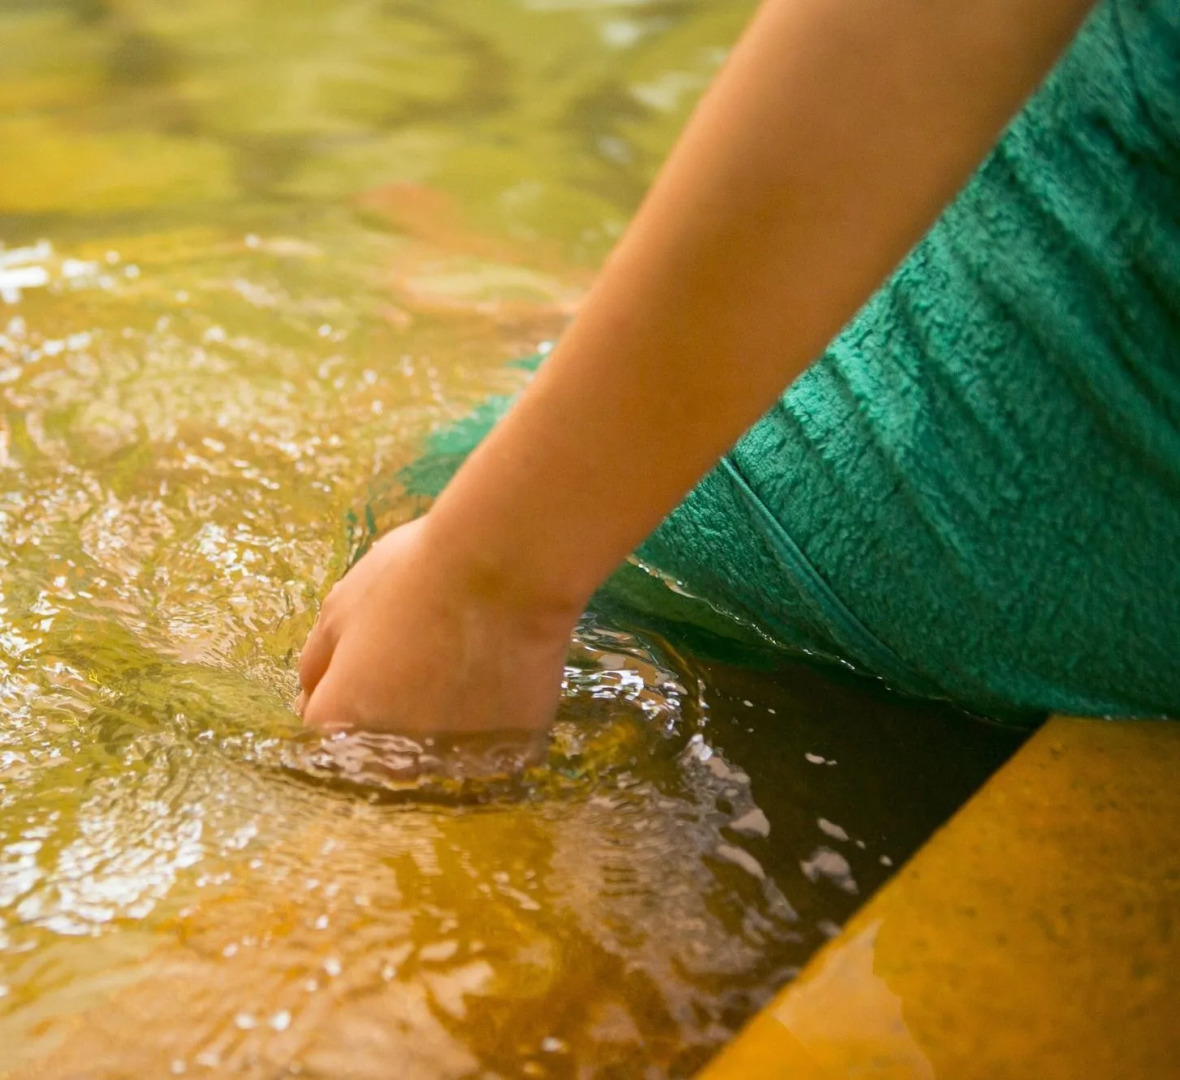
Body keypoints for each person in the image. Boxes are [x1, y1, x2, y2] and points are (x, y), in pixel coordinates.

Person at [297, 0, 1180, 734]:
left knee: (390, 475)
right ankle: (565, 315)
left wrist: (486, 586)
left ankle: (537, 339)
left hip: (1062, 508)